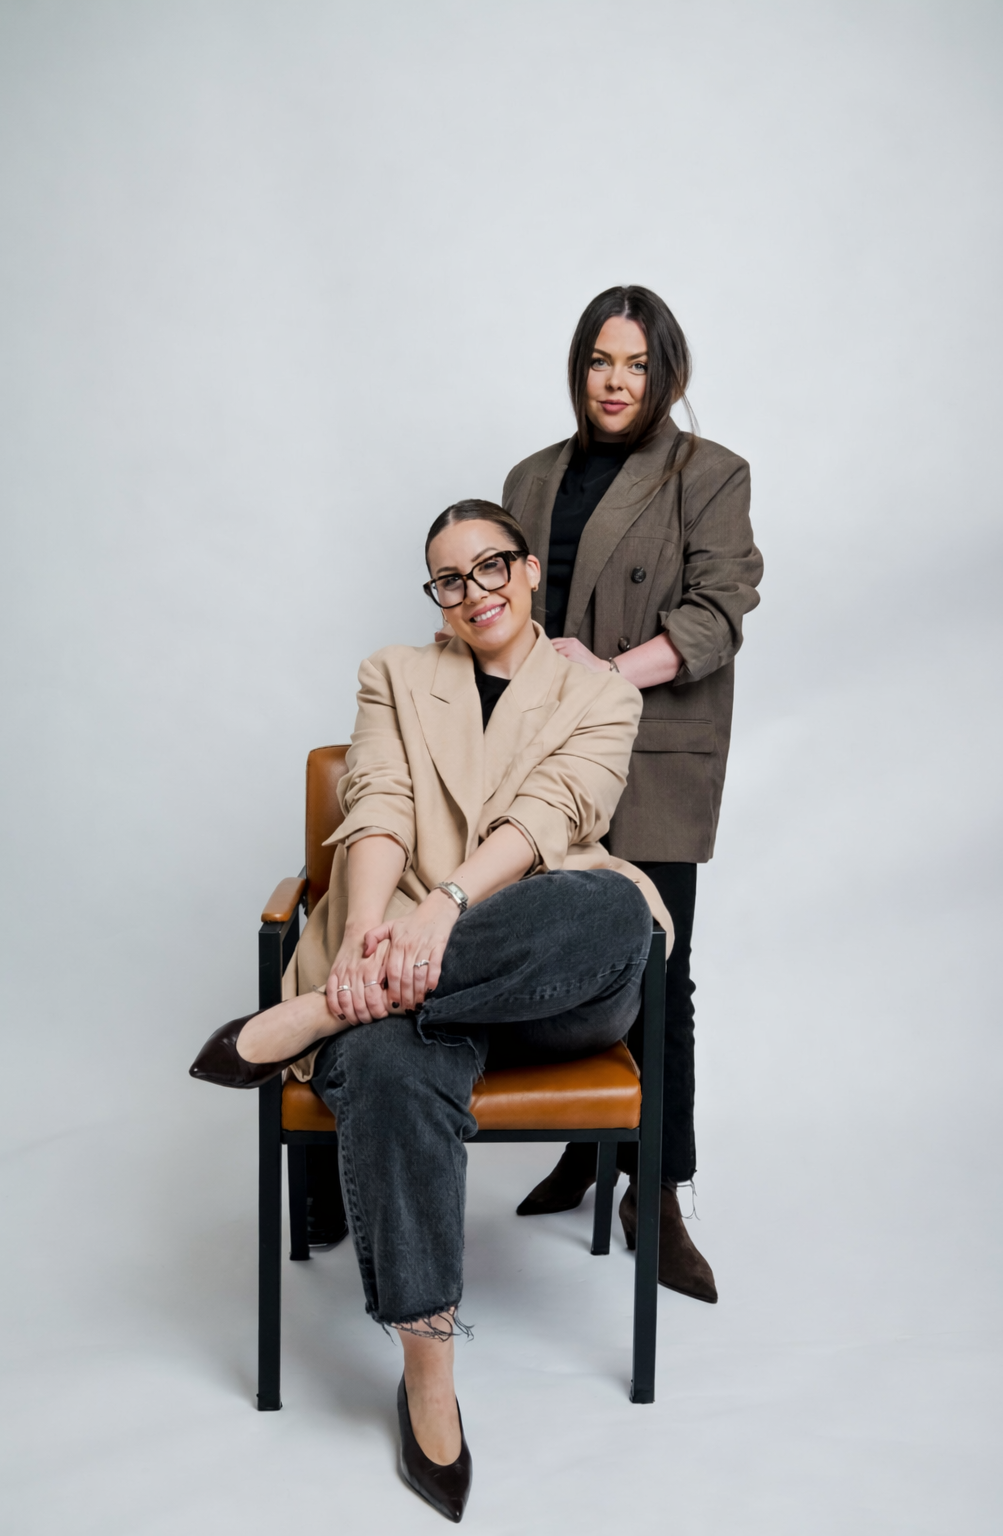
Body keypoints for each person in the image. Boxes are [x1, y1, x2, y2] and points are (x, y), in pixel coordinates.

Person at [190, 501, 672, 1523]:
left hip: (546, 971)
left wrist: (443, 915)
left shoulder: (596, 690)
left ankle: (319, 1012)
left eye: (492, 567)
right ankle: (428, 1373)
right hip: (398, 964)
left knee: (610, 912)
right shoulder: (396, 676)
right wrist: (371, 933)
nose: (475, 592)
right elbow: (376, 807)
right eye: (449, 579)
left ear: (531, 571)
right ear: (436, 598)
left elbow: (556, 812)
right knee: (391, 1063)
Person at [501, 285, 763, 1304]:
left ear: (666, 375)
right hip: (540, 757)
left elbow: (718, 612)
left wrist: (605, 670)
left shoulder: (708, 473)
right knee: (555, 957)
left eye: (636, 365)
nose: (615, 382)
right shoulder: (528, 476)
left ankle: (652, 1191)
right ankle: (585, 1146)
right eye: (600, 362)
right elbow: (496, 601)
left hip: (650, 749)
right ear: (578, 369)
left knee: (659, 972)